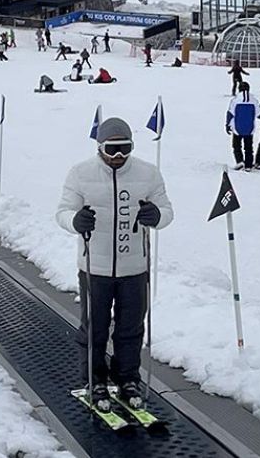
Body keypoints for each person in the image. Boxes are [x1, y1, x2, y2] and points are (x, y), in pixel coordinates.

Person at [55, 117, 174, 411]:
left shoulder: (148, 173)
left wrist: (155, 216)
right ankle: (94, 379)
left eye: (125, 149)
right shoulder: (80, 173)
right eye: (112, 149)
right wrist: (75, 220)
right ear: (100, 146)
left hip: (134, 268)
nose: (119, 156)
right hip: (95, 267)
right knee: (94, 327)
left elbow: (167, 211)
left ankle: (127, 378)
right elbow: (62, 212)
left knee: (130, 328)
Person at [226, 81, 260, 170]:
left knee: (237, 146)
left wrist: (227, 125)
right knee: (248, 147)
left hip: (237, 127)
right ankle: (248, 164)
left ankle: (240, 161)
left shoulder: (235, 100)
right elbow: (259, 113)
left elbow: (230, 113)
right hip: (249, 128)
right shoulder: (253, 100)